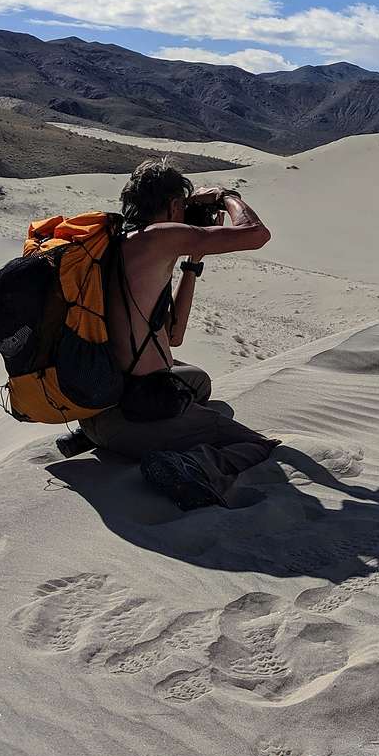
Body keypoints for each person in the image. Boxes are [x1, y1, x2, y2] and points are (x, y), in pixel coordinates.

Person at [78, 157, 278, 509]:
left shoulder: (120, 242)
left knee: (198, 381)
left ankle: (95, 437)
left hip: (98, 404)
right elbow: (255, 235)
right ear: (173, 205)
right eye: (181, 207)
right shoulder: (159, 236)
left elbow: (174, 335)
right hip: (131, 420)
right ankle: (189, 465)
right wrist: (227, 196)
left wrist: (193, 262)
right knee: (254, 444)